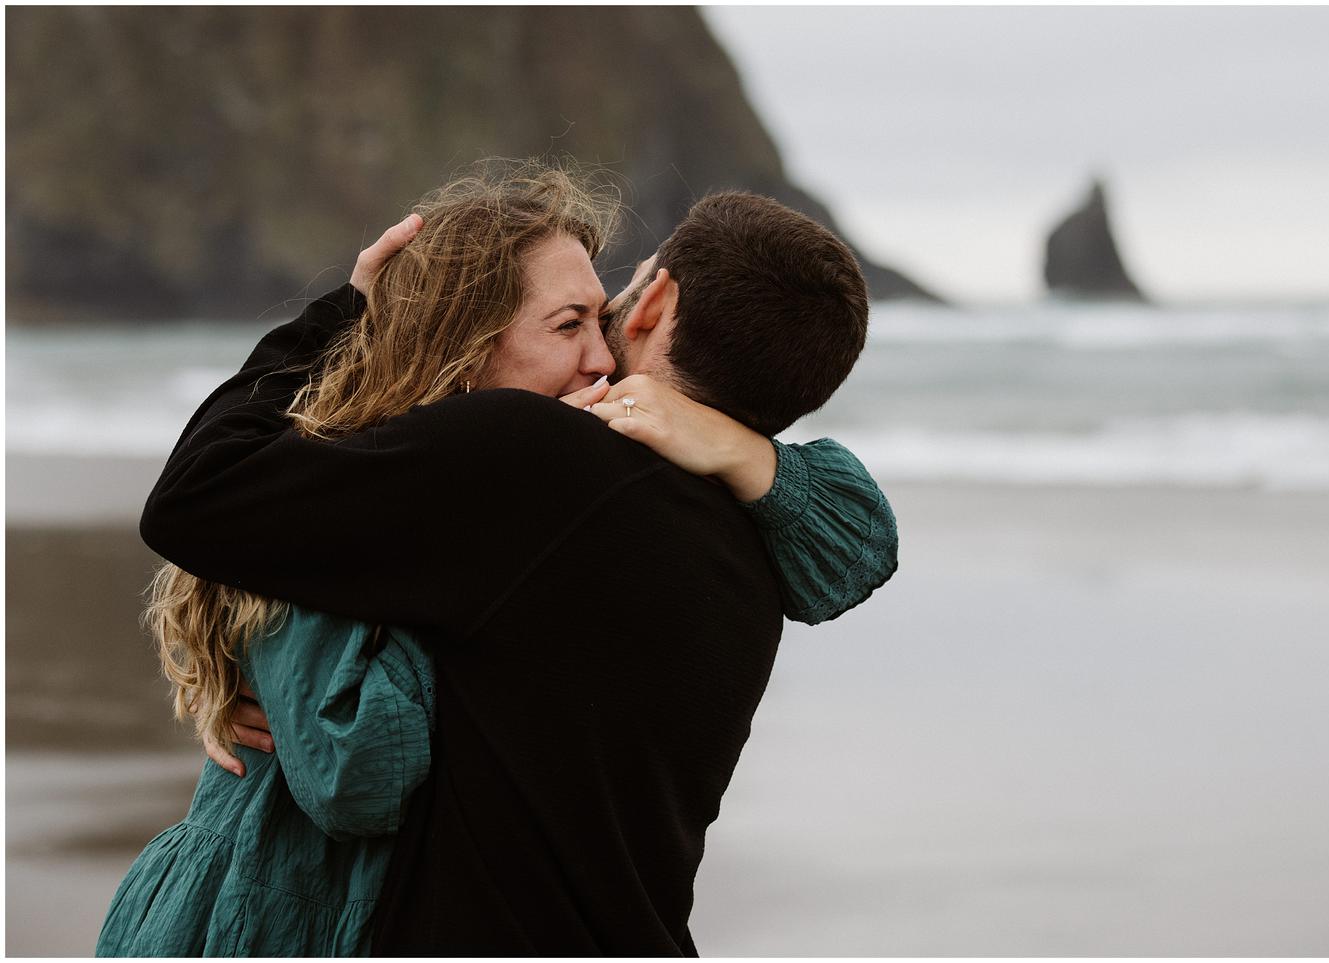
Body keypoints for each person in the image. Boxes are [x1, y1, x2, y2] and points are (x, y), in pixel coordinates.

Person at [99, 165, 897, 956]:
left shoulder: (530, 454)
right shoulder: (763, 542)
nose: (596, 354)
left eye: (610, 305)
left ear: (655, 301)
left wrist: (348, 312)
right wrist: (744, 448)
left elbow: (198, 497)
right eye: (567, 323)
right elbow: (858, 547)